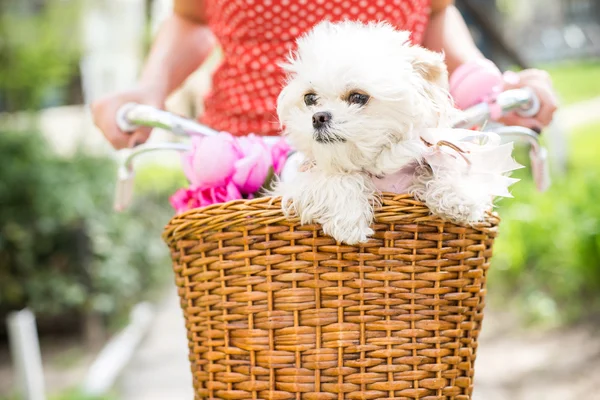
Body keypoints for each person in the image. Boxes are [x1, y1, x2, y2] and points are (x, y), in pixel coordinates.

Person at [91, 0, 558, 149]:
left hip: (399, 168)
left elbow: (435, 13)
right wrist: (151, 87)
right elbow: (193, 19)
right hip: (246, 171)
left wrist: (494, 87)